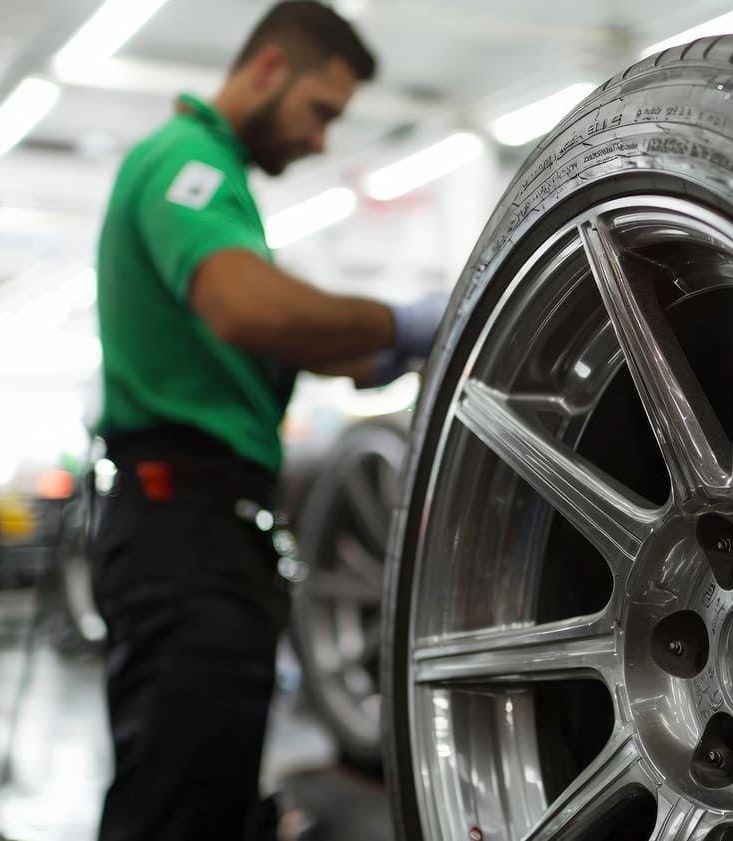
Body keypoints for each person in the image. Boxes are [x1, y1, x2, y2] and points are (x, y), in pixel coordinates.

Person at [88, 4, 439, 839]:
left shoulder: (222, 184)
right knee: (178, 805)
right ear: (270, 68)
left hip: (208, 529)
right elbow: (248, 309)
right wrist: (400, 323)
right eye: (322, 111)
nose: (321, 141)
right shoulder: (185, 161)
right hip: (185, 528)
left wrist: (392, 351)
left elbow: (276, 339)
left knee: (207, 786)